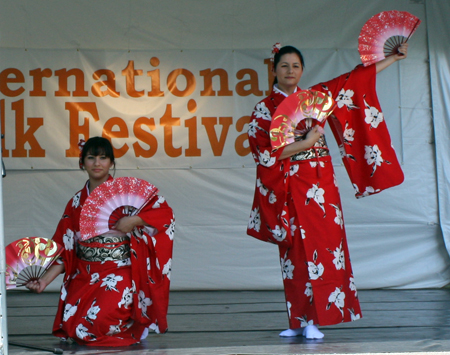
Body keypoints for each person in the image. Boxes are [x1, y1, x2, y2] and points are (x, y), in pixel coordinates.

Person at [247, 43, 408, 339]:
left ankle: (315, 320)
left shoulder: (315, 99)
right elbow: (266, 154)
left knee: (325, 249)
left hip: (321, 187)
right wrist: (304, 144)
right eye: (284, 66)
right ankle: (298, 319)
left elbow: (353, 81)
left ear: (302, 70)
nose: (290, 71)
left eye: (296, 66)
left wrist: (392, 59)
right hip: (290, 186)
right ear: (273, 70)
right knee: (294, 253)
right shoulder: (263, 109)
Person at [26, 136, 175, 346]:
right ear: (82, 163)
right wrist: (43, 281)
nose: (97, 163)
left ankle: (133, 325)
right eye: (91, 157)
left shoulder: (127, 194)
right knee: (75, 327)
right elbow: (64, 248)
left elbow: (165, 216)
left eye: (103, 158)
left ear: (111, 163)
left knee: (100, 322)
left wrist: (134, 220)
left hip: (120, 269)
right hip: (86, 272)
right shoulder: (76, 203)